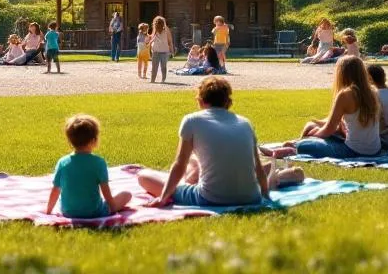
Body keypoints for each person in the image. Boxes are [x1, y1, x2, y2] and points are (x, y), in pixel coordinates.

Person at [138, 77, 273, 208]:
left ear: (200, 101)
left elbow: (180, 164)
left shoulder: (192, 120)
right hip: (251, 197)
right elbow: (258, 166)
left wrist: (163, 198)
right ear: (228, 102)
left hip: (211, 198)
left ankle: (188, 183)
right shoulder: (245, 123)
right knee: (195, 160)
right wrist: (265, 196)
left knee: (143, 176)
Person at [289, 56, 382, 158]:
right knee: (316, 134)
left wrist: (310, 137)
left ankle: (300, 143)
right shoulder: (373, 92)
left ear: (342, 74)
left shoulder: (345, 95)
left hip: (353, 151)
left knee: (301, 146)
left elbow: (329, 129)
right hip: (375, 150)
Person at [45, 114, 132, 218]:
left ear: (70, 141)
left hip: (68, 212)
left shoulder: (62, 162)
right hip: (94, 213)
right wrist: (112, 208)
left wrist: (48, 211)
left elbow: (55, 190)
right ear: (94, 140)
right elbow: (105, 190)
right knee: (127, 194)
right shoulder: (99, 162)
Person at [148, 16, 174, 83]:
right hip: (155, 51)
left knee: (163, 67)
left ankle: (163, 80)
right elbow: (152, 38)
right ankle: (152, 80)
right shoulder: (155, 29)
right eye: (156, 23)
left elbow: (170, 41)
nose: (156, 24)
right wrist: (149, 44)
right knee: (154, 67)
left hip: (164, 51)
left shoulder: (166, 30)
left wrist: (172, 51)